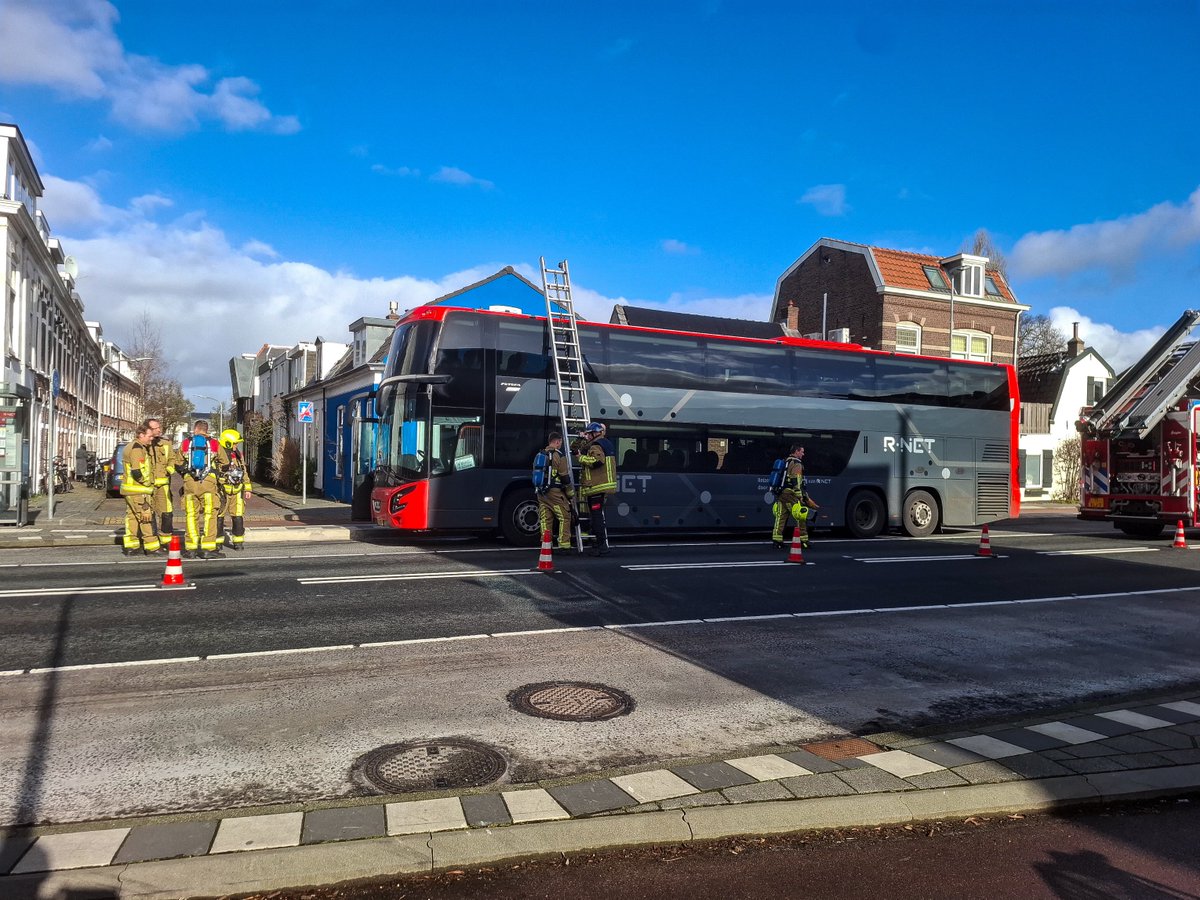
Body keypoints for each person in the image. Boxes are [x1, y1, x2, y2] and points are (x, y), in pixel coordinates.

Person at [179, 420, 230, 559]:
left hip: (190, 484)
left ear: (195, 429)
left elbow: (177, 463)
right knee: (210, 516)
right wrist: (217, 472)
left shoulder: (186, 443)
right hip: (208, 484)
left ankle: (191, 549)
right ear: (206, 430)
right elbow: (225, 463)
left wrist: (186, 474)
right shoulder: (214, 443)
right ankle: (208, 548)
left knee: (191, 516)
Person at [574, 421, 617, 556]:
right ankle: (598, 544)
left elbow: (597, 461)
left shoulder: (596, 445)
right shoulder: (605, 443)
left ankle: (601, 546)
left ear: (594, 433)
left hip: (597, 486)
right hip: (602, 486)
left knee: (596, 516)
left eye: (589, 434)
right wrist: (580, 440)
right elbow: (575, 448)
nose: (587, 436)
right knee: (597, 515)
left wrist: (581, 458)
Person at [119, 424, 161, 556]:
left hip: (129, 489)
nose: (151, 439)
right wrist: (148, 483)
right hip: (138, 490)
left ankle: (131, 546)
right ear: (141, 435)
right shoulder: (137, 448)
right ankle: (152, 547)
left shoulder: (130, 446)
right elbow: (137, 471)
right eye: (149, 436)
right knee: (145, 517)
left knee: (132, 518)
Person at [771, 444, 820, 549]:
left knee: (781, 517)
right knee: (800, 515)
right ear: (796, 451)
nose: (803, 454)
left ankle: (777, 540)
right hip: (790, 493)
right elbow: (796, 479)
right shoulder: (797, 463)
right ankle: (804, 541)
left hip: (782, 493)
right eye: (802, 451)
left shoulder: (786, 461)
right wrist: (800, 495)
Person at [535, 431, 574, 552]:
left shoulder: (539, 455)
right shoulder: (558, 456)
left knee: (545, 518)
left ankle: (546, 544)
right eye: (560, 442)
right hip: (555, 492)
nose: (561, 444)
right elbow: (565, 478)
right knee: (565, 516)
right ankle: (564, 545)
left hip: (541, 492)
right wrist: (570, 494)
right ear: (557, 442)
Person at [216, 428, 253, 550]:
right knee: (219, 516)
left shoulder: (238, 454)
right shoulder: (217, 455)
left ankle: (238, 542)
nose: (236, 445)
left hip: (237, 490)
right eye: (235, 443)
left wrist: (248, 488)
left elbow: (244, 471)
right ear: (227, 443)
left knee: (238, 516)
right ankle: (218, 542)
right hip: (222, 491)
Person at [146, 417, 183, 539]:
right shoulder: (143, 444)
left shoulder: (166, 444)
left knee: (166, 513)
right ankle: (150, 539)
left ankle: (165, 539)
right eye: (156, 428)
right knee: (148, 513)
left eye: (159, 427)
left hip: (163, 485)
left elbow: (172, 458)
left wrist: (170, 469)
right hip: (147, 486)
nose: (159, 430)